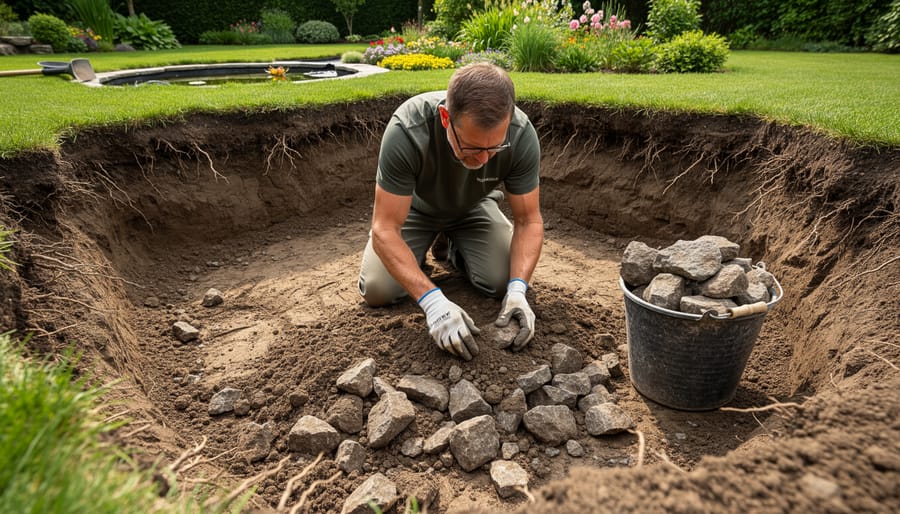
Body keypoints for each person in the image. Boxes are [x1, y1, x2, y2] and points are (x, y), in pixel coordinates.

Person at [357, 62, 544, 361]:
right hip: (416, 210)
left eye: (494, 148)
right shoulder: (407, 129)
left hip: (473, 208)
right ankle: (421, 249)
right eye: (471, 148)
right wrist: (432, 301)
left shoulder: (520, 134)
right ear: (446, 118)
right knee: (379, 290)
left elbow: (528, 220)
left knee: (501, 282)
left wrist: (518, 290)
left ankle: (457, 248)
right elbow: (384, 229)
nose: (484, 159)